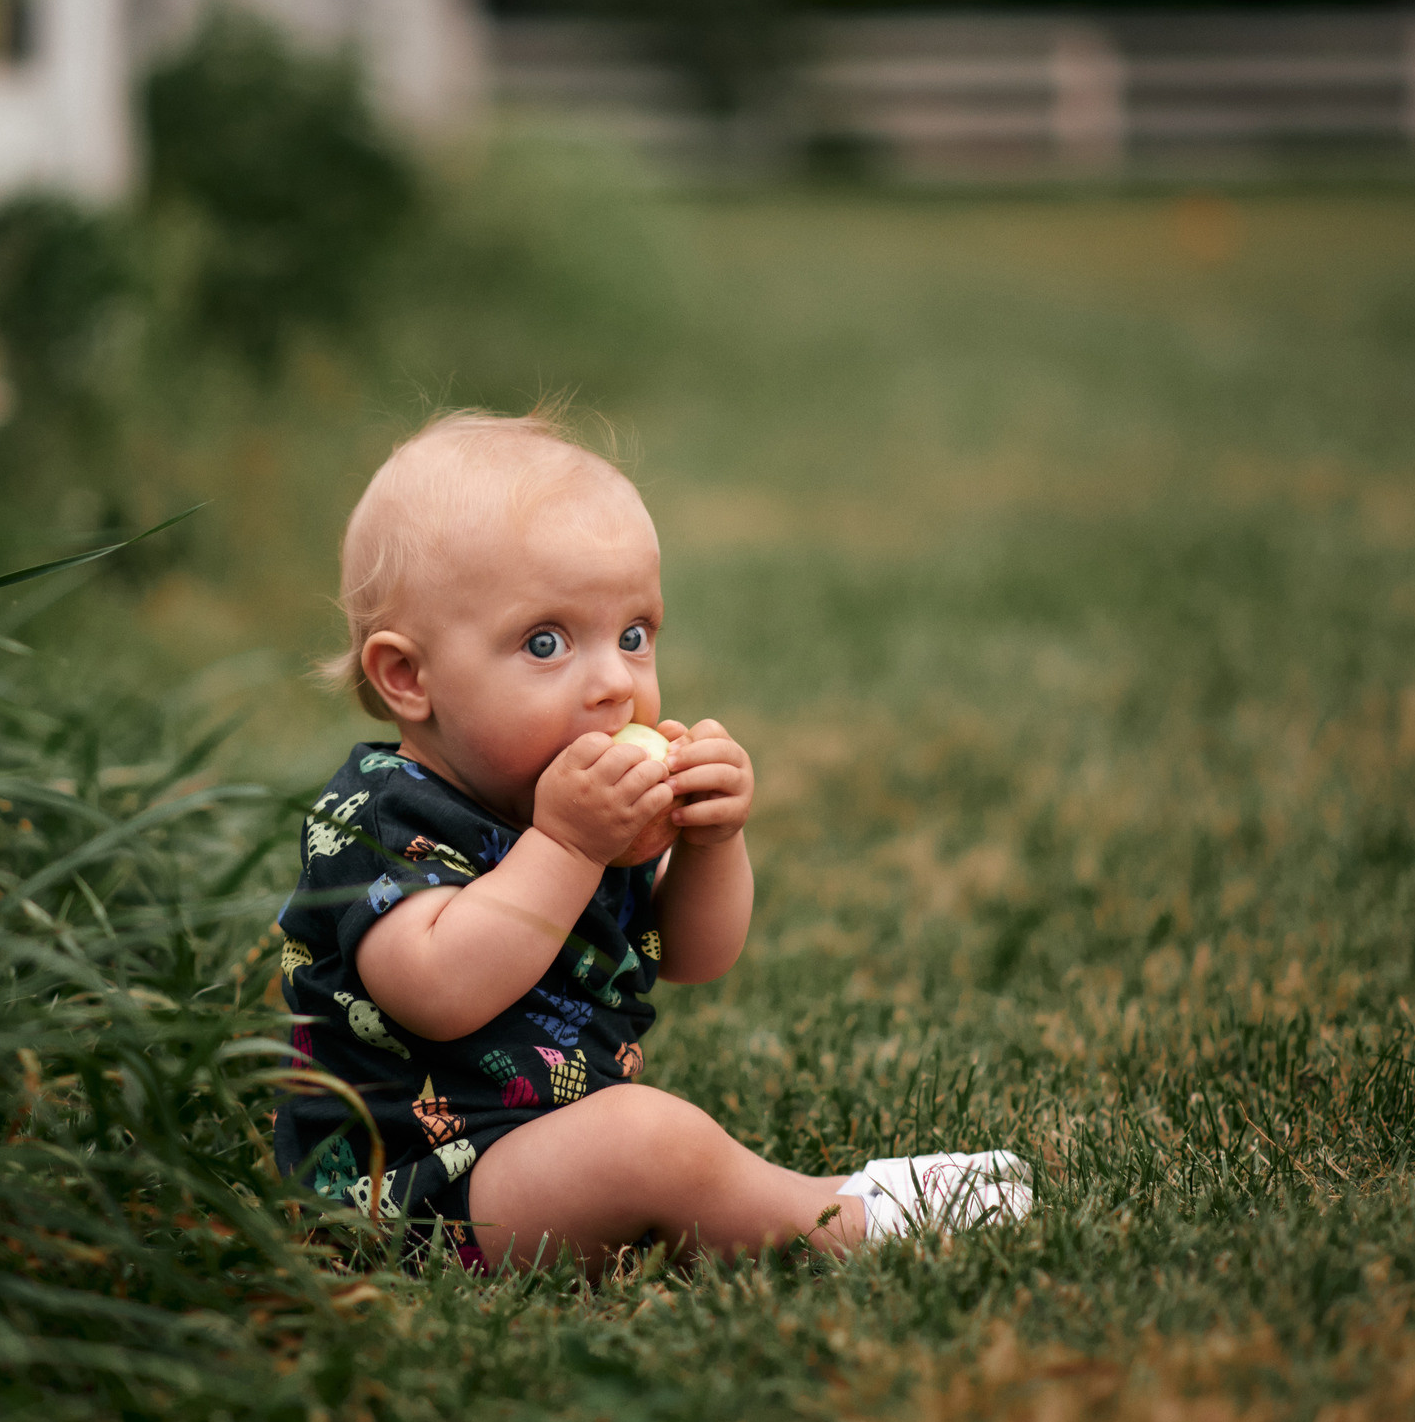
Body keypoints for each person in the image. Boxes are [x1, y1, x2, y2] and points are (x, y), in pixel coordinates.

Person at [273, 409, 1030, 1272]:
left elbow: (695, 953)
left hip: (540, 1155)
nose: (612, 684)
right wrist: (565, 849)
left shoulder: (583, 806)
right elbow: (437, 991)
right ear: (409, 677)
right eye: (546, 642)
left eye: (633, 636)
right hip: (413, 1196)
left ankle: (818, 1198)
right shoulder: (377, 818)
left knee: (640, 1143)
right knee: (647, 1140)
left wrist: (713, 842)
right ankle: (844, 1221)